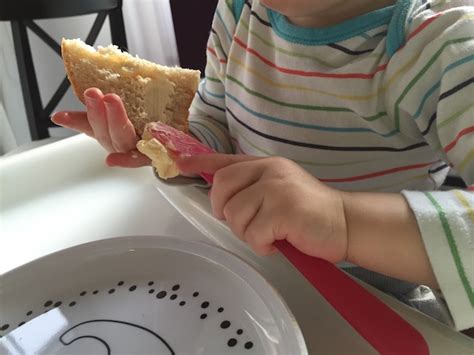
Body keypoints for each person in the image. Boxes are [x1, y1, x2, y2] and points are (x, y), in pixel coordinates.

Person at [53, 0, 474, 331]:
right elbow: (213, 124)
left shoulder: (442, 43)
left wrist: (340, 219)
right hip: (244, 267)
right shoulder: (239, 13)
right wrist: (171, 149)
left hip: (375, 297)